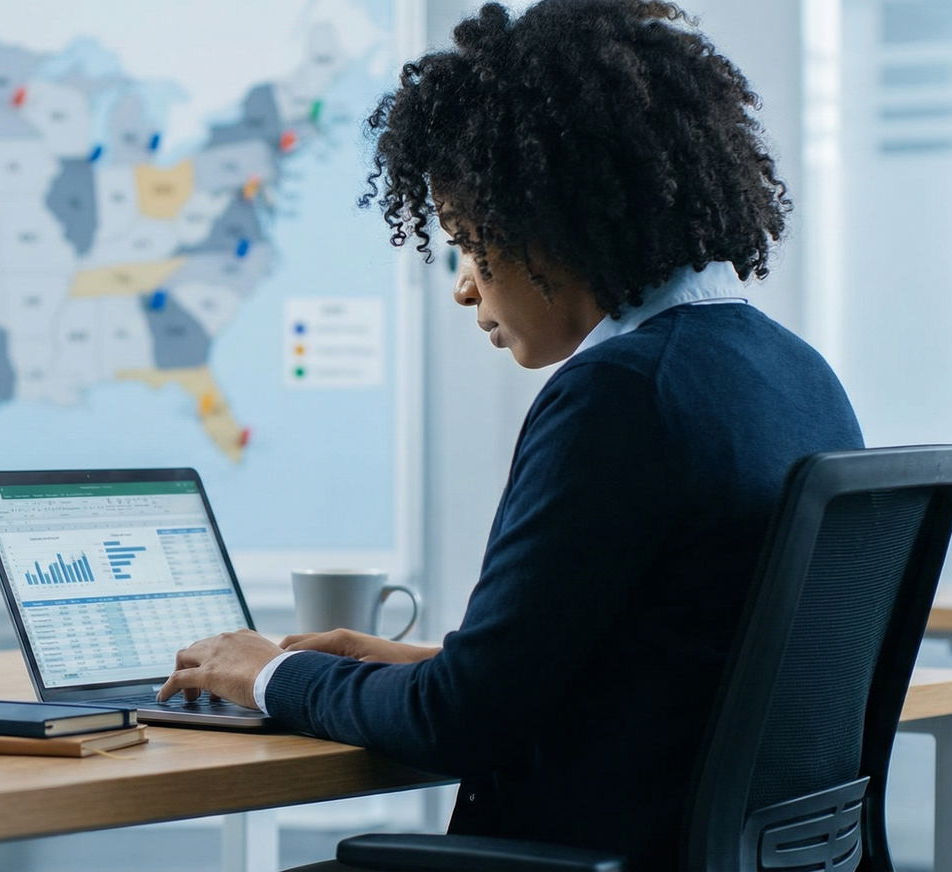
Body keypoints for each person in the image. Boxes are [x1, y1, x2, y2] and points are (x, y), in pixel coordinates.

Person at [156, 0, 863, 866]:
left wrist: (266, 672)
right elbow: (673, 663)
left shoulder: (622, 394)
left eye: (465, 242)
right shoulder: (795, 374)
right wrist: (415, 663)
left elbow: (454, 727)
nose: (463, 287)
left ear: (549, 222)